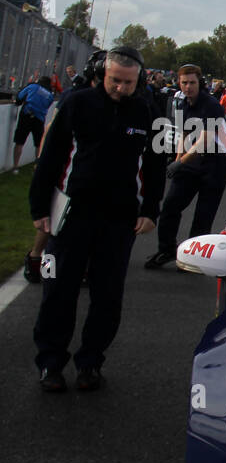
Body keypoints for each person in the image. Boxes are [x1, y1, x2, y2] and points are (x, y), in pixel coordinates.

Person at [28, 47, 164, 391]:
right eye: (114, 80)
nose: (120, 87)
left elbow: (155, 166)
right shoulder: (78, 104)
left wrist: (150, 210)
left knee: (107, 297)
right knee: (57, 289)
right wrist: (39, 209)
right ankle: (50, 363)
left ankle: (90, 362)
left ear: (140, 80)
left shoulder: (147, 111)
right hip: (71, 216)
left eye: (128, 82)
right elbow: (51, 158)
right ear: (102, 75)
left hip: (119, 221)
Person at [143, 63, 226, 269]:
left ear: (199, 83)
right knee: (170, 206)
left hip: (214, 163)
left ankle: (194, 259)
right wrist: (177, 159)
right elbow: (184, 135)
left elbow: (204, 142)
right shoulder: (182, 104)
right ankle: (166, 250)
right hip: (191, 162)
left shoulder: (211, 105)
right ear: (179, 83)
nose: (188, 87)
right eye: (184, 83)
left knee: (203, 215)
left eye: (192, 82)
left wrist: (181, 162)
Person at [12, 75, 54, 172]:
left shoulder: (32, 86)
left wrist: (17, 102)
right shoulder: (50, 95)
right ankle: (37, 168)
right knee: (39, 144)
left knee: (19, 142)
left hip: (26, 115)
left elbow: (20, 96)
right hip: (39, 119)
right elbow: (47, 106)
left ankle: (15, 167)